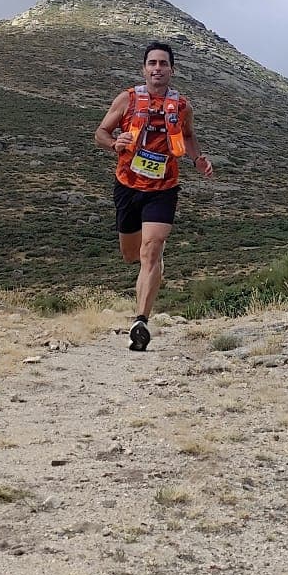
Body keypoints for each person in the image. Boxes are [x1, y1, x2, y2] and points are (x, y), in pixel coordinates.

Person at [95, 41, 213, 351]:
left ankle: (140, 321)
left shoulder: (182, 106)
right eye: (152, 63)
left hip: (164, 188)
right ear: (144, 68)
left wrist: (198, 159)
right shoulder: (128, 99)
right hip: (128, 185)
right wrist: (114, 143)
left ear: (172, 69)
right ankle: (151, 267)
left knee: (151, 250)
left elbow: (187, 136)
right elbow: (100, 133)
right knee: (132, 255)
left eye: (163, 63)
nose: (157, 68)